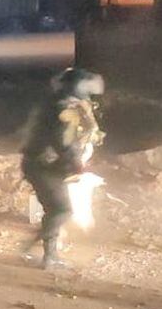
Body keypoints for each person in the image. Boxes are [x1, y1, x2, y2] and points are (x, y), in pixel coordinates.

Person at [21, 68, 105, 269]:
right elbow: (62, 140)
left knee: (57, 209)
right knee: (61, 209)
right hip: (43, 165)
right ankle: (46, 256)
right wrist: (77, 161)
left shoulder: (57, 102)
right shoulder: (65, 107)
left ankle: (36, 250)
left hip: (42, 163)